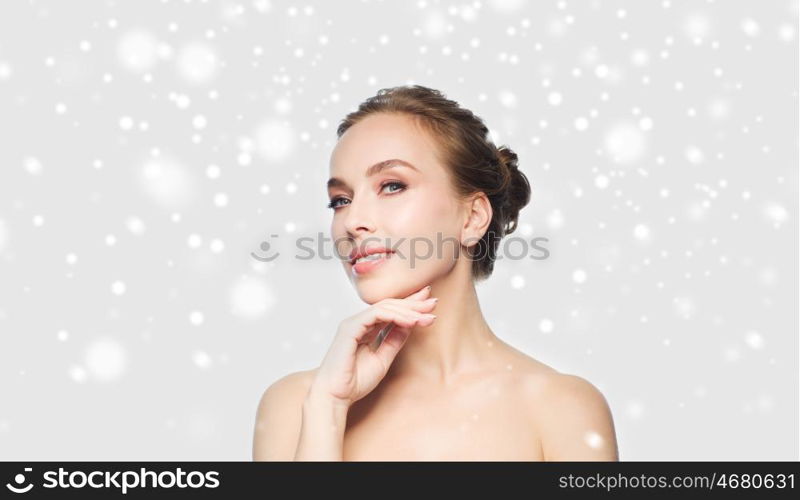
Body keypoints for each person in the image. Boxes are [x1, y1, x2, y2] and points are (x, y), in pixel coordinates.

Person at [252, 85, 619, 461]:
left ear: (473, 217)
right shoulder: (297, 406)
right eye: (341, 200)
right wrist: (329, 407)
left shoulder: (562, 409)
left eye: (392, 186)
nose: (354, 221)